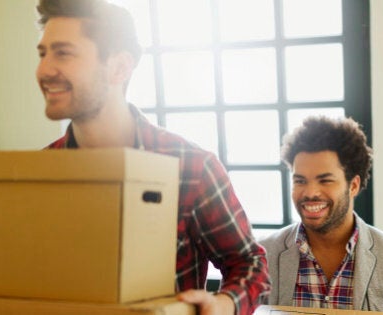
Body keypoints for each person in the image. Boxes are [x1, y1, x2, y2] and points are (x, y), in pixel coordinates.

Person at [34, 0, 271, 314]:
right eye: (42, 53)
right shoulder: (38, 174)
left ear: (119, 67)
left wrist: (223, 305)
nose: (44, 70)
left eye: (63, 52)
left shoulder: (192, 169)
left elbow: (250, 264)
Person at [260, 116, 383, 313]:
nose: (310, 193)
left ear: (353, 185)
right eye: (300, 181)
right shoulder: (262, 255)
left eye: (325, 180)